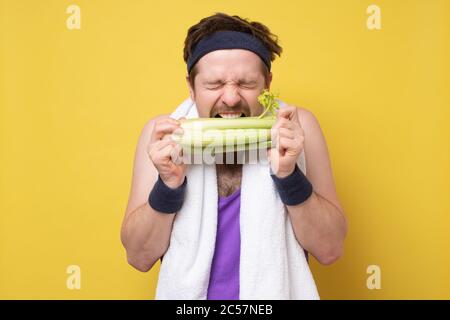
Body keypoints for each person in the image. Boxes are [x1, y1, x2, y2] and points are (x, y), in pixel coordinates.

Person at [121, 12, 347, 300]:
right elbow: (139, 257)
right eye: (214, 85)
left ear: (267, 85)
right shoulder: (162, 137)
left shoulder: (299, 128)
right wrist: (167, 185)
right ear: (190, 88)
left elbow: (330, 249)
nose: (230, 98)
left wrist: (289, 177)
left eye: (247, 84)